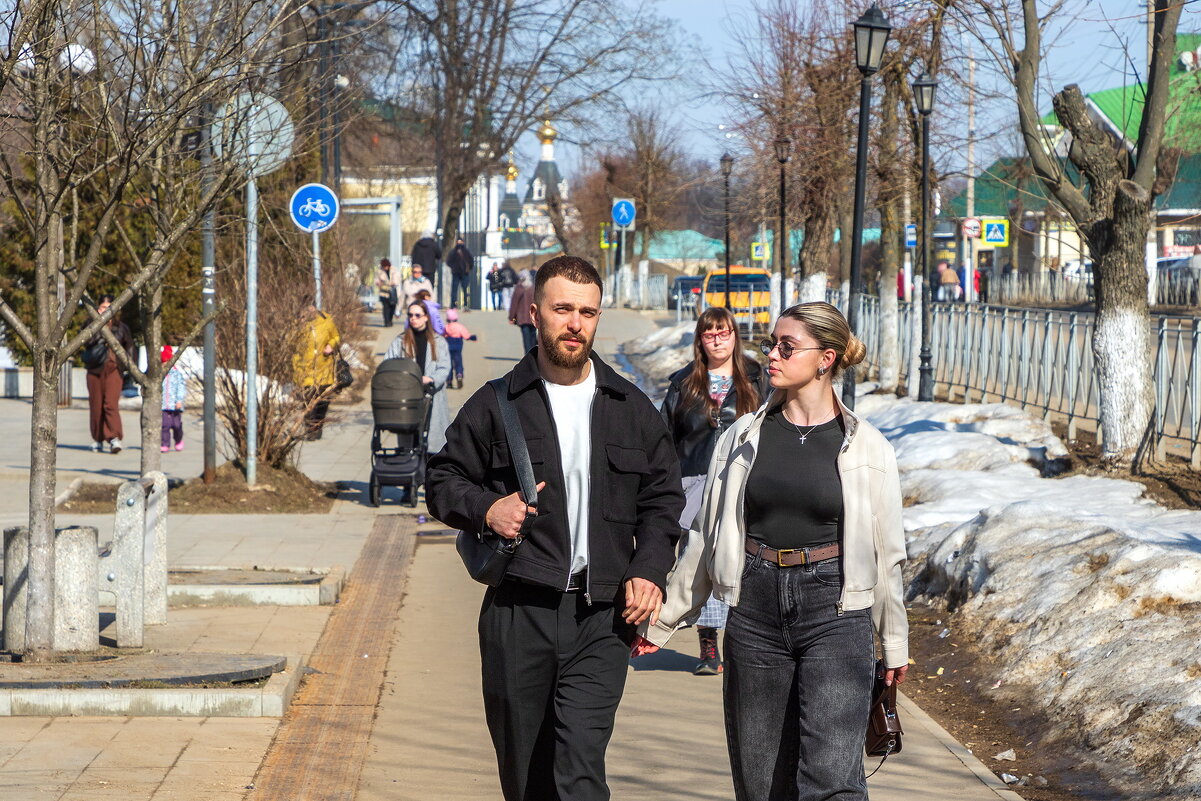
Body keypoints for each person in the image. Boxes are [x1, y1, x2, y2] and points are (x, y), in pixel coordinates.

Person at [426, 255, 684, 801]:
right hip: (519, 611)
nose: (575, 324)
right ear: (535, 313)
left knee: (581, 769)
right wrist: (487, 509)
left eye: (587, 312)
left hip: (600, 617)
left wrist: (649, 571)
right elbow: (443, 478)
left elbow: (663, 501)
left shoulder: (631, 406)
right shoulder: (498, 403)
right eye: (562, 309)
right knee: (527, 776)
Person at [634, 301, 910, 801]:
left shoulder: (869, 447)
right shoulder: (743, 437)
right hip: (755, 610)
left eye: (787, 346)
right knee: (761, 780)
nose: (773, 356)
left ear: (826, 359)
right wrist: (665, 618)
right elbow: (707, 533)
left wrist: (893, 643)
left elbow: (887, 553)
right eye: (772, 344)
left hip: (836, 609)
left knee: (831, 778)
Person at [659, 307, 770, 675]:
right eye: (710, 334)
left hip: (743, 483)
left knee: (738, 560)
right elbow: (664, 437)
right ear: (700, 340)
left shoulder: (756, 378)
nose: (718, 339)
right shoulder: (683, 383)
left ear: (735, 336)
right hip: (693, 483)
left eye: (724, 332)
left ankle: (744, 640)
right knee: (701, 558)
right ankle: (709, 647)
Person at [384, 301, 451, 454]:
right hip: (407, 397)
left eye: (417, 315)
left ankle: (428, 473)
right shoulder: (400, 341)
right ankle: (410, 472)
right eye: (410, 315)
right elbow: (388, 365)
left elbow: (444, 367)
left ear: (426, 317)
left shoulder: (438, 342)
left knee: (432, 445)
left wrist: (431, 379)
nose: (413, 318)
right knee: (408, 444)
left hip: (431, 395)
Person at [85, 294, 135, 453]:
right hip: (94, 369)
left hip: (114, 369)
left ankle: (114, 437)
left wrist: (129, 368)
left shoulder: (121, 327)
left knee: (110, 404)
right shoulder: (90, 325)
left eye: (108, 308)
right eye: (102, 307)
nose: (105, 311)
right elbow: (85, 342)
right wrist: (99, 328)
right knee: (96, 405)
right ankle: (98, 438)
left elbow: (130, 348)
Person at [292, 297, 341, 440]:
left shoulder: (326, 320)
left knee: (322, 401)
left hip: (323, 366)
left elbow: (336, 336)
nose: (308, 311)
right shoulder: (296, 324)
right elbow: (290, 344)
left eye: (310, 308)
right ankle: (309, 430)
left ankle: (317, 427)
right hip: (304, 368)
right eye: (305, 309)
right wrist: (298, 326)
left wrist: (331, 345)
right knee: (307, 400)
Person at [442, 308, 477, 390]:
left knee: (449, 364)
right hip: (458, 347)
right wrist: (473, 338)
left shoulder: (446, 327)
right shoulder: (460, 327)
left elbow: (442, 334)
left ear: (447, 318)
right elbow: (466, 336)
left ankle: (449, 381)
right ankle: (459, 375)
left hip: (448, 346)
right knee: (458, 362)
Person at [160, 345, 185, 453]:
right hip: (163, 405)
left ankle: (178, 440)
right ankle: (165, 443)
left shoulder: (176, 374)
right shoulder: (159, 374)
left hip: (175, 405)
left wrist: (179, 400)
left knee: (176, 425)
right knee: (165, 425)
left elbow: (181, 387)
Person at [508, 268, 537, 352]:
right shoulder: (533, 288)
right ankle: (534, 354)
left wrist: (511, 317)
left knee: (526, 338)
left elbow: (514, 303)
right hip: (533, 317)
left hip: (523, 318)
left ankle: (528, 355)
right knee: (533, 336)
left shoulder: (519, 288)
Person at [447, 237, 474, 309]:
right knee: (455, 289)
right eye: (458, 242)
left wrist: (468, 268)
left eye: (460, 242)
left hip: (464, 273)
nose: (459, 244)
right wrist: (454, 267)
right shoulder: (453, 252)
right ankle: (454, 304)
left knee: (464, 289)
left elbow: (471, 261)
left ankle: (465, 304)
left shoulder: (466, 252)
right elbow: (448, 261)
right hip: (457, 273)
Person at [375, 258, 400, 327]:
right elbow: (376, 279)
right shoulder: (379, 271)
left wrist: (391, 283)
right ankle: (386, 322)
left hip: (393, 292)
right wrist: (378, 283)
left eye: (386, 266)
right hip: (383, 292)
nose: (385, 268)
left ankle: (390, 320)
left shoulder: (394, 270)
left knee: (392, 306)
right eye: (384, 267)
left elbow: (397, 281)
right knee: (386, 307)